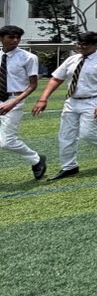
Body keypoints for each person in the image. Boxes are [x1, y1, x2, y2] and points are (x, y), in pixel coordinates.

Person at [32, 31, 97, 180]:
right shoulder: (72, 59)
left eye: (84, 44)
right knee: (66, 135)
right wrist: (43, 98)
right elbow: (56, 79)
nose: (80, 47)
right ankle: (69, 166)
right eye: (78, 44)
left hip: (93, 101)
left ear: (95, 45)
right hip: (72, 101)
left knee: (88, 133)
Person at [0, 25, 47, 181]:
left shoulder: (28, 57)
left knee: (7, 142)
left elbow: (33, 85)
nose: (15, 40)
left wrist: (13, 102)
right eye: (11, 37)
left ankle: (36, 159)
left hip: (14, 99)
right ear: (2, 38)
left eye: (17, 37)